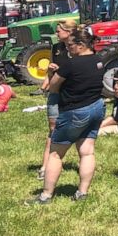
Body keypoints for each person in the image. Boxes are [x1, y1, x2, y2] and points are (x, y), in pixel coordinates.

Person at [28, 28, 105, 204]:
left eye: (70, 45)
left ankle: (46, 195)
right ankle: (82, 193)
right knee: (87, 152)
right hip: (97, 108)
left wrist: (52, 73)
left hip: (74, 112)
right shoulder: (98, 61)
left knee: (55, 154)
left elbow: (52, 88)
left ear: (80, 45)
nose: (67, 48)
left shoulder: (71, 64)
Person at [38, 20, 76, 180]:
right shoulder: (57, 48)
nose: (56, 33)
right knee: (53, 129)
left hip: (72, 92)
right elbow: (51, 71)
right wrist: (49, 73)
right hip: (56, 91)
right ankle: (45, 166)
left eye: (59, 31)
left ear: (69, 32)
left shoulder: (78, 48)